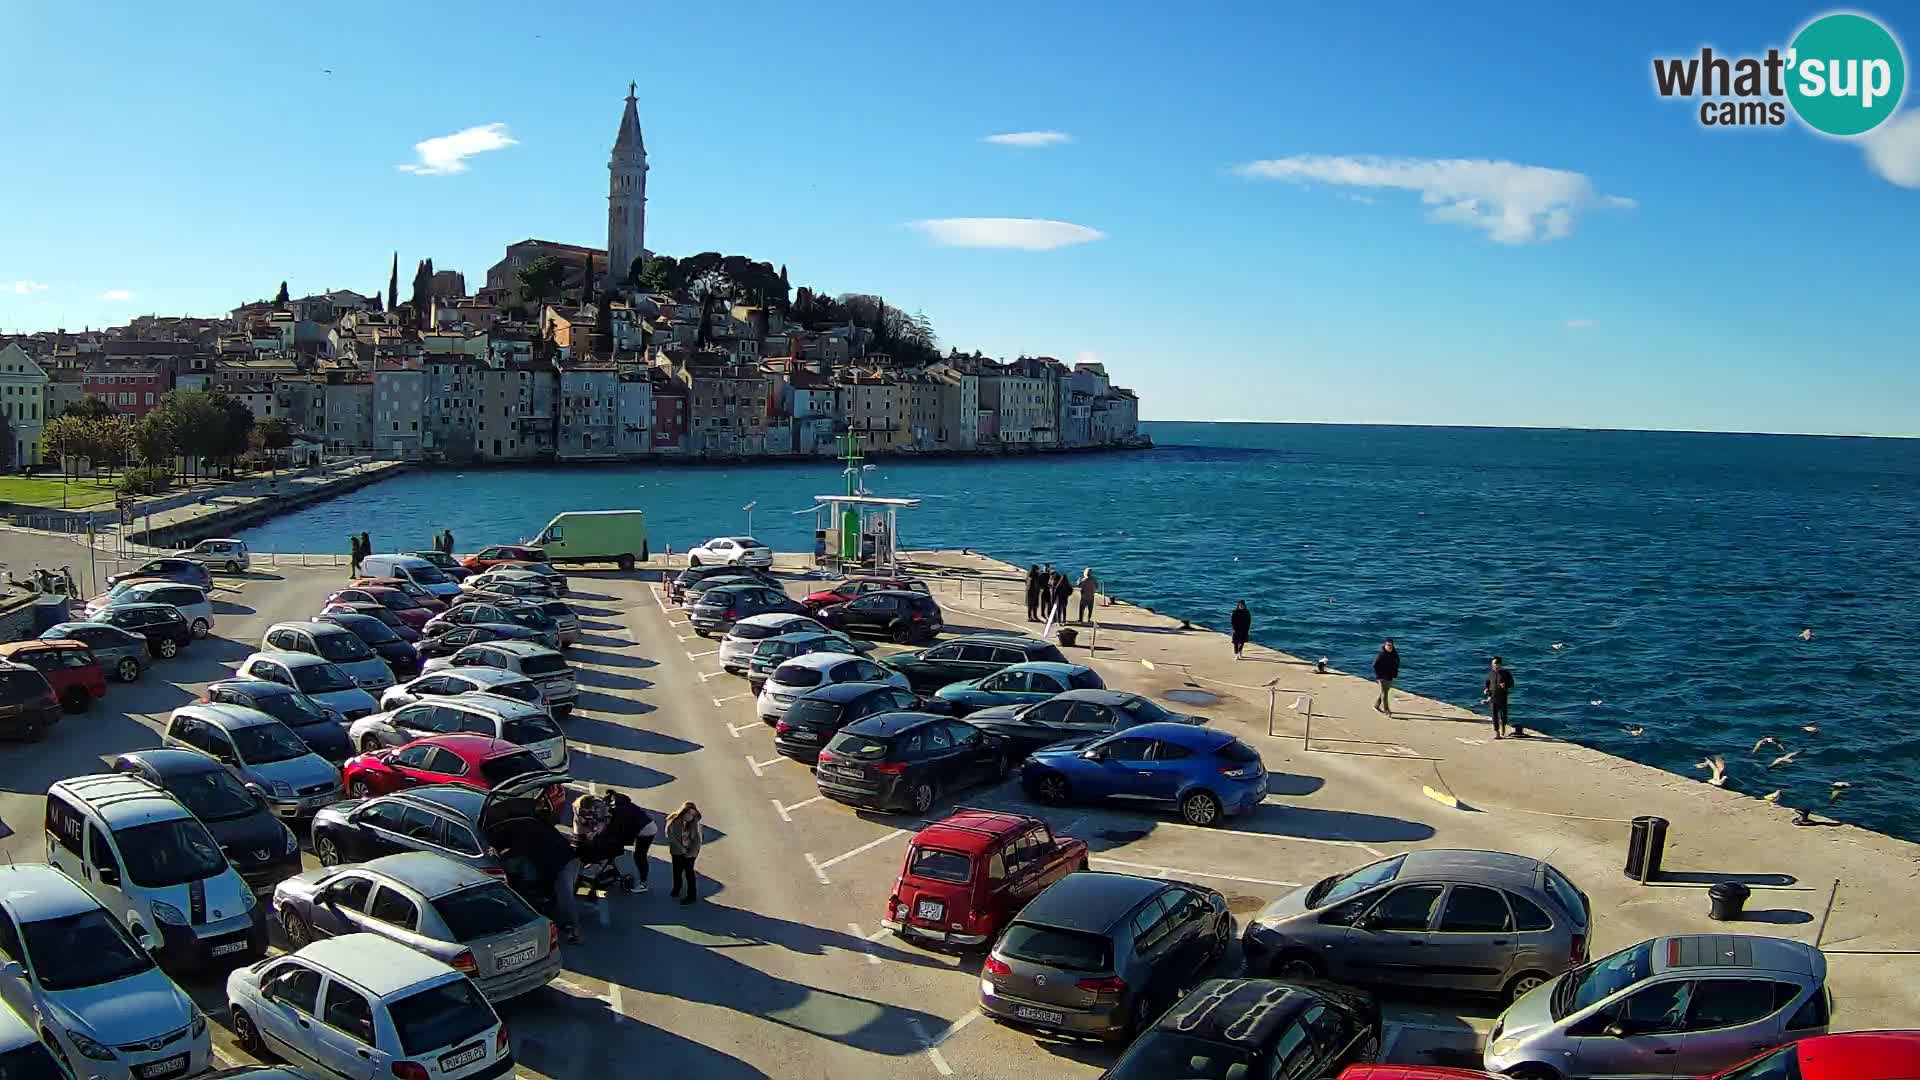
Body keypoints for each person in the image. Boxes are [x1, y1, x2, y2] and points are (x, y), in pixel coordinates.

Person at [607, 790, 656, 893]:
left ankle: (643, 884)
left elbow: (618, 827)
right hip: (648, 826)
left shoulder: (621, 810)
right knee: (639, 855)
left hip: (645, 830)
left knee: (639, 856)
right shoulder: (625, 804)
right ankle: (643, 881)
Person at [666, 801, 703, 905]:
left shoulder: (695, 823)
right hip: (677, 850)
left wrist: (691, 853)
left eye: (693, 814)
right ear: (683, 812)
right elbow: (670, 836)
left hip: (690, 852)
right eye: (688, 814)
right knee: (677, 871)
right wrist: (680, 848)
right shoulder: (674, 821)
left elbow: (697, 840)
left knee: (689, 872)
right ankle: (676, 889)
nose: (690, 816)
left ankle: (692, 896)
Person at [1484, 656, 1516, 738]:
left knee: (1503, 715)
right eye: (1492, 663)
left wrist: (1505, 685)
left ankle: (1503, 726)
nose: (1493, 665)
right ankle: (1497, 733)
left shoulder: (1506, 673)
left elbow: (1511, 684)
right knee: (1494, 715)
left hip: (1502, 697)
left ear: (1499, 664)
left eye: (1494, 663)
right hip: (1492, 697)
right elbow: (1487, 683)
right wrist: (1486, 689)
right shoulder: (1491, 673)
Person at [1372, 639, 1400, 715]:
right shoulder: (1381, 654)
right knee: (1384, 693)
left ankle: (1376, 705)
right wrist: (1378, 675)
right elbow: (1375, 665)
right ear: (1385, 645)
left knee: (1384, 692)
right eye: (1388, 645)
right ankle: (1386, 710)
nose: (1389, 647)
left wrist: (1395, 673)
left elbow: (1397, 663)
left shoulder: (1395, 654)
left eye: (1391, 645)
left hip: (1390, 676)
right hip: (1381, 677)